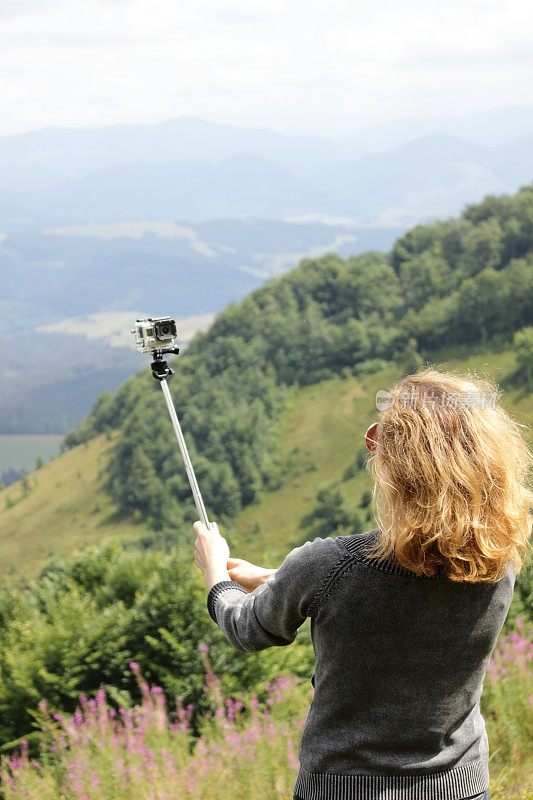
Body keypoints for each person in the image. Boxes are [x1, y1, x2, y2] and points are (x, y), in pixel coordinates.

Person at [193, 368, 532, 800]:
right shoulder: (499, 559)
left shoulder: (328, 566)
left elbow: (247, 629)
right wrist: (278, 579)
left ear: (396, 462)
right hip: (462, 787)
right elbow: (404, 593)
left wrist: (215, 571)